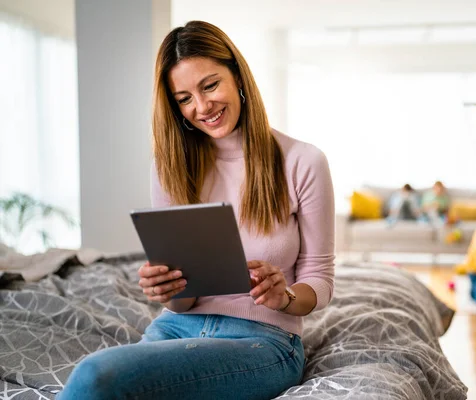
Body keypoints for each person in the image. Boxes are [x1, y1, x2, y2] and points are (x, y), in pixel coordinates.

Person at [58, 21, 335, 400]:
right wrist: (166, 289)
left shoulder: (303, 160)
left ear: (237, 75)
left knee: (95, 374)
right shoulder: (169, 166)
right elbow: (183, 300)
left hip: (264, 340)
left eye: (210, 85)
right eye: (184, 98)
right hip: (175, 327)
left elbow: (320, 277)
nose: (202, 107)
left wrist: (284, 297)